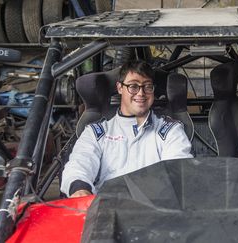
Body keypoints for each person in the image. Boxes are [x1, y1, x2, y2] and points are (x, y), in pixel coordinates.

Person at [61, 60, 193, 197]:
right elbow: (79, 165)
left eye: (147, 86)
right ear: (119, 88)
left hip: (156, 209)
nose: (141, 93)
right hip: (105, 210)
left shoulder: (170, 130)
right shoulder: (96, 132)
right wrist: (79, 189)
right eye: (133, 86)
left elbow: (178, 168)